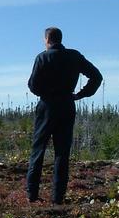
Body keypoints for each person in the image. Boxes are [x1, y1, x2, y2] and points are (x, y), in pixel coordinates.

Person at [26, 27, 102, 205]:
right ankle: (57, 197)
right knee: (62, 152)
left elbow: (33, 85)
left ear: (46, 39)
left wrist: (47, 92)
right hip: (67, 105)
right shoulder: (74, 56)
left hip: (46, 106)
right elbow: (96, 76)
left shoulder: (42, 57)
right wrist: (81, 94)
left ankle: (32, 194)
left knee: (38, 150)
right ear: (60, 39)